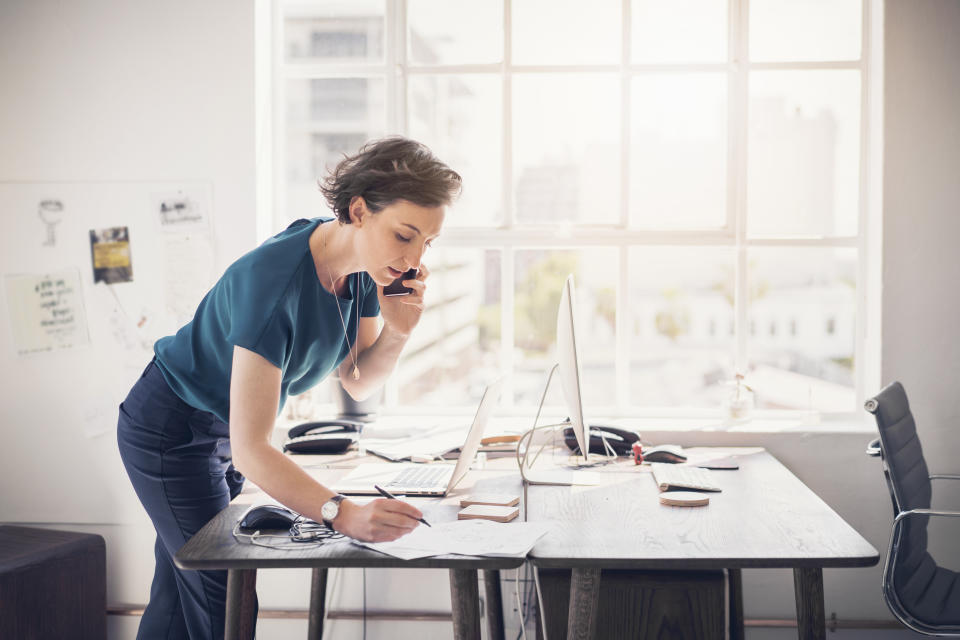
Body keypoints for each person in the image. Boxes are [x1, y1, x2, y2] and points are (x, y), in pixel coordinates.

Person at [116, 136, 462, 639]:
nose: (413, 260)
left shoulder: (364, 269)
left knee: (177, 597)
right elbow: (252, 450)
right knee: (222, 598)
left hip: (219, 432)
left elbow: (358, 380)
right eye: (405, 235)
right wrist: (343, 515)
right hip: (171, 429)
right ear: (359, 210)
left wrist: (399, 332)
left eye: (427, 243)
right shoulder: (274, 283)